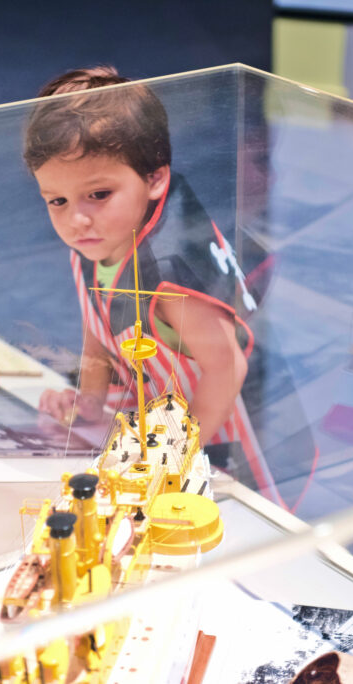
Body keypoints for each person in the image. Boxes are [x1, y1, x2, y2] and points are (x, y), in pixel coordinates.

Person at [26, 66, 284, 502]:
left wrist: (182, 452)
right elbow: (98, 329)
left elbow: (228, 367)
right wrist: (88, 404)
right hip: (150, 417)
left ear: (154, 179)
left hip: (219, 444)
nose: (77, 219)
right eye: (57, 201)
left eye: (99, 194)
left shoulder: (169, 279)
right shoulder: (95, 245)